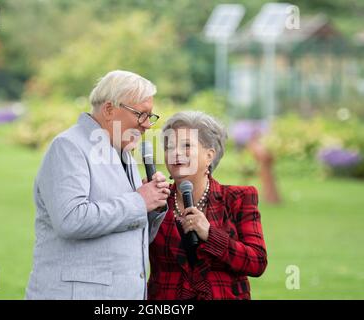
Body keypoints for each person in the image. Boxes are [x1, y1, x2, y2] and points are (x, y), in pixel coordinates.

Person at [25, 70, 170, 300]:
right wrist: (139, 201)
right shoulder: (69, 146)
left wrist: (152, 204)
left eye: (150, 116)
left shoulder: (123, 152)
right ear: (110, 110)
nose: (147, 126)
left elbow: (128, 228)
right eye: (141, 114)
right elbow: (71, 220)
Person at [148, 111, 267, 300]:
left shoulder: (238, 198)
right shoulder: (155, 201)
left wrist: (211, 235)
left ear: (209, 155)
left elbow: (257, 262)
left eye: (186, 145)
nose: (175, 153)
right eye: (169, 147)